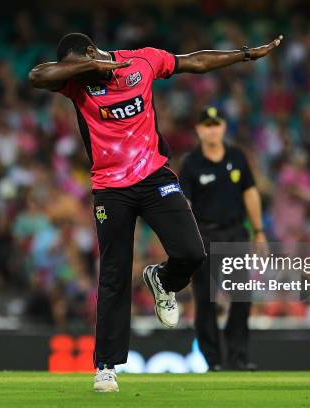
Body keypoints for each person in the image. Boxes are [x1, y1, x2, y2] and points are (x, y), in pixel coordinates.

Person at [29, 32, 282, 392]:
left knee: (193, 252)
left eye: (82, 66)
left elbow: (194, 61)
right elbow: (37, 76)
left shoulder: (141, 61)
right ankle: (106, 366)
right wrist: (88, 66)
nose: (79, 76)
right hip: (110, 188)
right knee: (114, 273)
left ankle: (163, 280)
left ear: (89, 50)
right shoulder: (75, 82)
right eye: (75, 71)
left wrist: (243, 55)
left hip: (154, 177)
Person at [179, 106, 266, 371]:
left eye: (216, 124)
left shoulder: (237, 157)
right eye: (207, 125)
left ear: (223, 127)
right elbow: (185, 204)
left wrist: (259, 231)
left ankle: (238, 356)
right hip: (204, 235)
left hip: (235, 234)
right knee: (206, 300)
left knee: (241, 297)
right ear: (198, 129)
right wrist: (185, 241)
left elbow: (250, 193)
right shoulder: (191, 164)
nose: (212, 129)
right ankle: (213, 360)